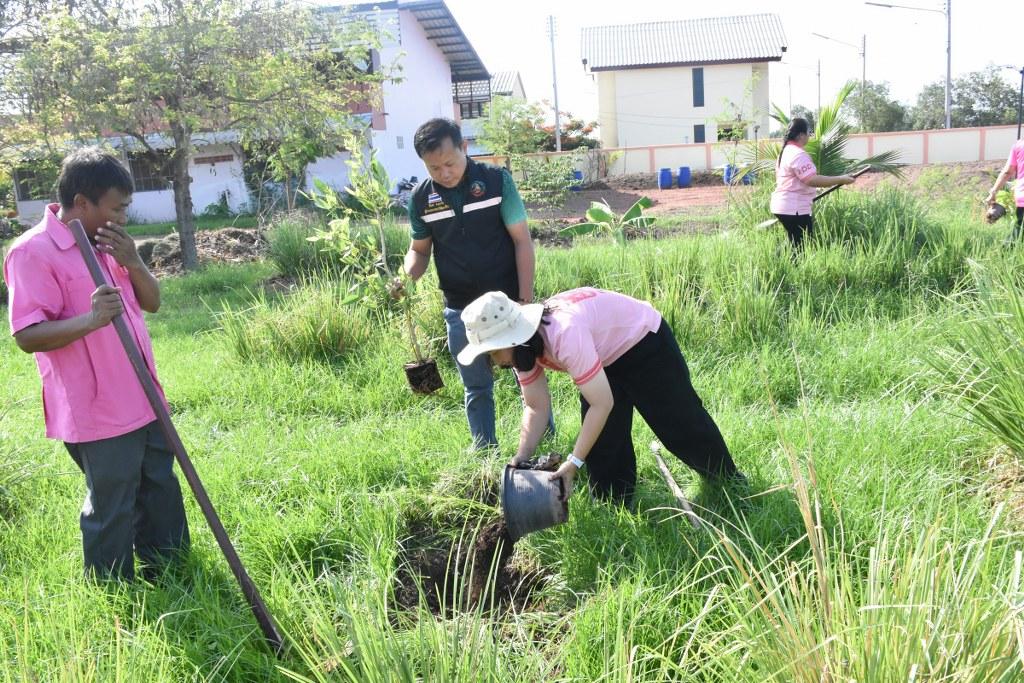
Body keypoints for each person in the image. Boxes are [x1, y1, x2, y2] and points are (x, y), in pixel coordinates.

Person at [2, 147, 189, 580]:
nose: (123, 216)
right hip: (98, 408)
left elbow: (153, 303)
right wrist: (90, 320)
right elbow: (26, 336)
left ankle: (173, 571)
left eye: (126, 207)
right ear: (81, 202)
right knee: (113, 502)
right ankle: (113, 591)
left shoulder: (109, 241)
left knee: (160, 485)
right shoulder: (32, 253)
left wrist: (134, 261)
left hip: (144, 394)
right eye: (116, 206)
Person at [456, 288, 744, 505]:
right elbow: (536, 406)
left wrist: (574, 462)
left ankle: (730, 485)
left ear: (512, 337)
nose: (494, 361)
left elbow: (601, 403)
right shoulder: (523, 353)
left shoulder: (564, 335)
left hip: (643, 341)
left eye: (493, 352)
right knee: (604, 445)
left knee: (679, 423)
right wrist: (521, 457)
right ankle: (613, 506)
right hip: (602, 355)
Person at [397, 118, 538, 450]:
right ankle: (484, 453)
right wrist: (404, 278)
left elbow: (522, 241)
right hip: (460, 308)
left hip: (507, 304)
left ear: (464, 147)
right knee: (475, 386)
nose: (444, 173)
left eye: (450, 163)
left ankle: (543, 444)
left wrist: (525, 298)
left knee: (527, 378)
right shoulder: (421, 199)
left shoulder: (495, 182)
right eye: (434, 168)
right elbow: (419, 251)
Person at [770, 117, 855, 250]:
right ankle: (789, 268)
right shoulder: (798, 154)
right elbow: (811, 179)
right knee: (801, 246)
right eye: (809, 132)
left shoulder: (786, 151)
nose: (809, 136)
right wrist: (841, 179)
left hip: (784, 206)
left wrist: (812, 191)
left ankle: (778, 265)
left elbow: (798, 181)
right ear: (801, 135)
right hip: (795, 208)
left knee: (794, 241)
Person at [985, 137, 1024, 244]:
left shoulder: (1019, 146)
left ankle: (1001, 255)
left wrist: (993, 192)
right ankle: (1001, 256)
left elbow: (1007, 172)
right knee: (1017, 237)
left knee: (1017, 236)